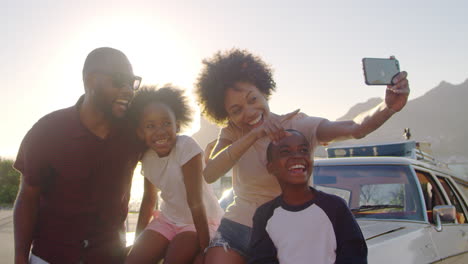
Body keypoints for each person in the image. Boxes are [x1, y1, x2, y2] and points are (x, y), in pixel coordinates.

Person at [194, 49, 409, 263]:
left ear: (264, 91)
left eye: (253, 99)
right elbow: (211, 172)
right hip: (237, 228)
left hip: (288, 230)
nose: (248, 112)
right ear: (226, 115)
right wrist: (254, 135)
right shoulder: (232, 132)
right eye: (236, 110)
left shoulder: (297, 125)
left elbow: (355, 127)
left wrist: (388, 107)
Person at [13, 47, 144, 264]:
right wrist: (19, 258)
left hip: (110, 258)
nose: (128, 90)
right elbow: (28, 197)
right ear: (91, 80)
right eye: (120, 80)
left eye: (133, 82)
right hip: (50, 257)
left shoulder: (134, 133)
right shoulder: (47, 131)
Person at [125, 86, 223, 264]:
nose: (160, 131)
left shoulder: (186, 146)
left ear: (177, 126)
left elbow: (195, 200)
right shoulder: (147, 158)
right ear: (141, 132)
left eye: (166, 123)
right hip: (167, 219)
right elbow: (148, 199)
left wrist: (205, 249)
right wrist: (137, 242)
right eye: (150, 126)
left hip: (197, 223)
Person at [249, 129, 367, 264]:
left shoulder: (335, 207)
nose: (297, 156)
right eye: (285, 152)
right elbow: (261, 260)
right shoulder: (264, 215)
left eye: (304, 150)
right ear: (271, 167)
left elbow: (355, 255)